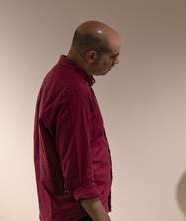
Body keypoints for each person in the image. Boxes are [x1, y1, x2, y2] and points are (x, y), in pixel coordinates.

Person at [33, 20, 121, 221]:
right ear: (91, 56)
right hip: (77, 214)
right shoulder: (73, 92)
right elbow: (78, 175)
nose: (117, 62)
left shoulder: (58, 77)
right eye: (114, 56)